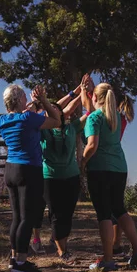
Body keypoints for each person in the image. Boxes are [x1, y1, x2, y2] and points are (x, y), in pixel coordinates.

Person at [0, 84, 60, 272]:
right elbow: (56, 121)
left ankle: (14, 258)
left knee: (17, 217)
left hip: (10, 170)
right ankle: (22, 262)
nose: (27, 100)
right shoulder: (28, 118)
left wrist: (32, 107)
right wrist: (43, 102)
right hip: (28, 170)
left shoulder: (2, 121)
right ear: (17, 100)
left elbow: (20, 118)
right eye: (24, 97)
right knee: (27, 217)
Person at [81, 83, 137, 271]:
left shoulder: (94, 118)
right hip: (119, 168)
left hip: (100, 169)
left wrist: (82, 162)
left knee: (104, 213)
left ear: (94, 98)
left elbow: (92, 145)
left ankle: (108, 260)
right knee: (119, 209)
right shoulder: (116, 116)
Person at [29, 76, 93, 254]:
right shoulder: (42, 130)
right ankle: (62, 251)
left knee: (67, 214)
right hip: (50, 178)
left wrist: (85, 91)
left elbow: (88, 113)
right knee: (56, 215)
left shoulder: (71, 127)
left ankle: (62, 244)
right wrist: (39, 101)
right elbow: (33, 113)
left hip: (71, 178)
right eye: (51, 111)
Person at [111, 93, 137, 257]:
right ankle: (116, 245)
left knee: (115, 209)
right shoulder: (121, 118)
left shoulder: (113, 118)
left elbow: (90, 110)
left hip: (110, 165)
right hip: (118, 165)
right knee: (116, 208)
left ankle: (136, 245)